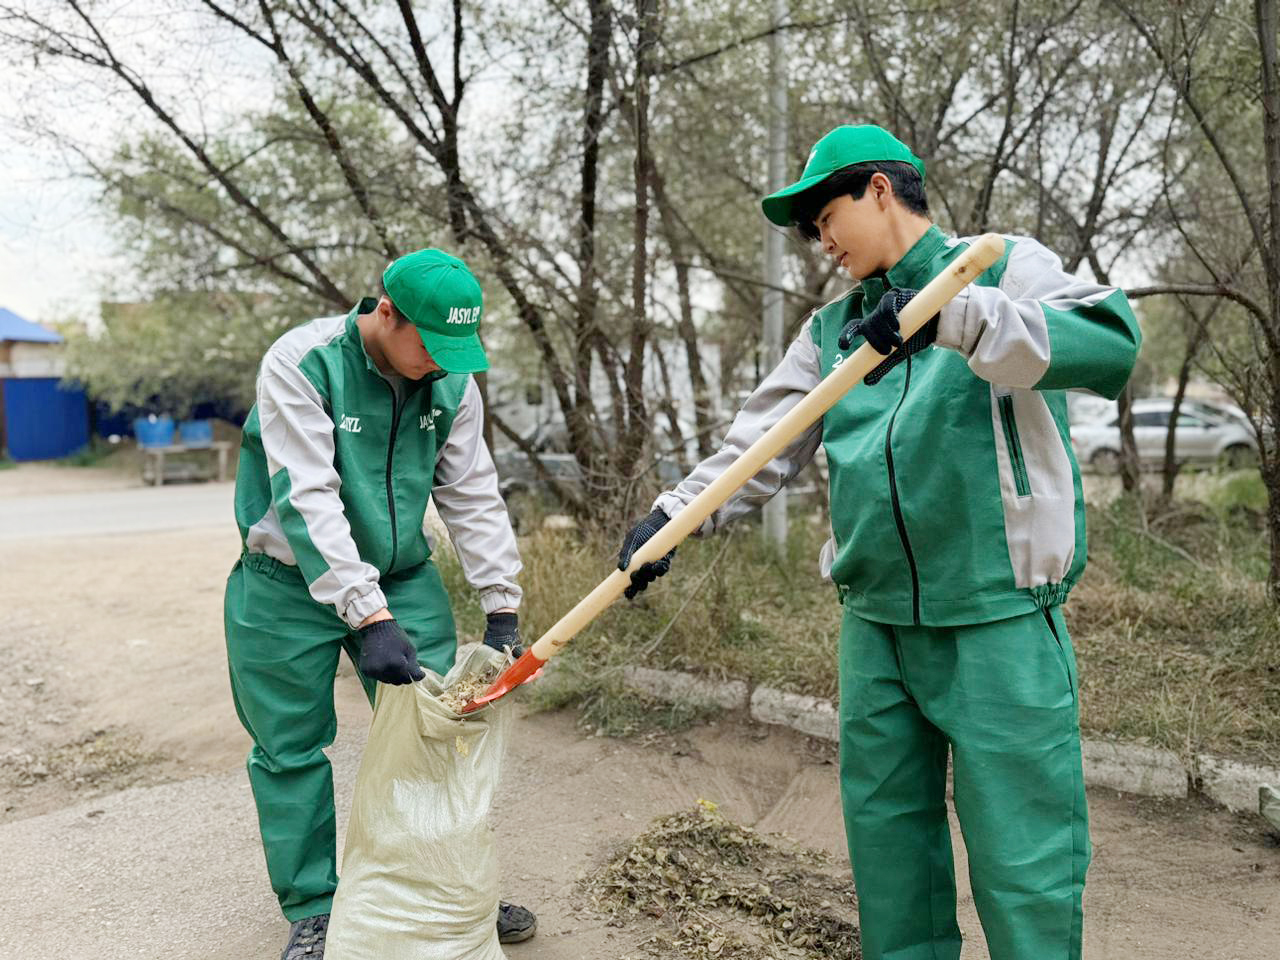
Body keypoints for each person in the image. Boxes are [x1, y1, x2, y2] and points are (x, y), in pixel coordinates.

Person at [617, 125, 1140, 960]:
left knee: (1023, 862)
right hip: (876, 627)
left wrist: (959, 318)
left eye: (827, 217)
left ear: (881, 191)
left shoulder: (1002, 267)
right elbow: (759, 444)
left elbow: (1114, 344)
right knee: (891, 862)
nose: (821, 243)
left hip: (996, 618)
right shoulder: (834, 330)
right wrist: (671, 519)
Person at [224, 249, 537, 959]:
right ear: (385, 312)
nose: (440, 363)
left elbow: (472, 493)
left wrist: (502, 605)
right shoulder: (302, 363)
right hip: (284, 587)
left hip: (400, 577)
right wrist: (367, 617)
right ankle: (316, 908)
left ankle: (443, 891)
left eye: (455, 350)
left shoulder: (451, 381)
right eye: (430, 345)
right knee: (290, 750)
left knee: (438, 731)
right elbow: (308, 499)